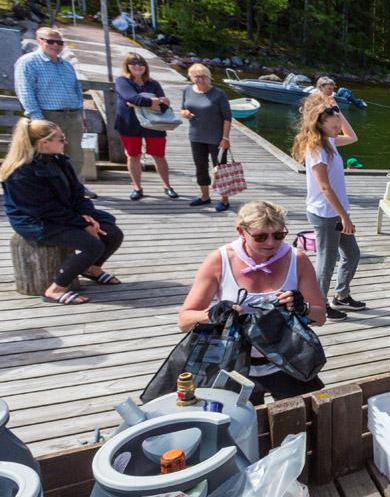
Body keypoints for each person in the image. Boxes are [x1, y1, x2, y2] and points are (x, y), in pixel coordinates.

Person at [178, 200, 327, 401]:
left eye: (279, 235)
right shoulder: (219, 260)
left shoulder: (297, 259)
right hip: (234, 365)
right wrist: (216, 313)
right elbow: (185, 321)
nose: (271, 243)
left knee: (303, 421)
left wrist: (302, 308)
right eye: (260, 237)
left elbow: (320, 318)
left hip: (287, 360)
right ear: (241, 231)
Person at [0, 119, 125, 305]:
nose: (64, 142)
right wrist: (82, 224)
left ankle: (92, 268)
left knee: (113, 232)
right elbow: (43, 209)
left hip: (65, 212)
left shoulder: (60, 161)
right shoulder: (21, 172)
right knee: (92, 245)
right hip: (36, 220)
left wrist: (87, 216)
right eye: (61, 139)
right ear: (44, 143)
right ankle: (56, 289)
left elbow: (77, 192)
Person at [291, 93, 364, 321]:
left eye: (338, 125)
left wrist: (337, 111)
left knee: (352, 254)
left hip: (337, 212)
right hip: (326, 214)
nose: (338, 129)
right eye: (334, 126)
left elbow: (352, 137)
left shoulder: (330, 141)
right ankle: (319, 305)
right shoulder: (316, 150)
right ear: (320, 125)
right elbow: (324, 187)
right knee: (327, 261)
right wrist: (345, 218)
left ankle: (341, 296)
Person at [13, 27, 95, 196]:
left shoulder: (66, 64)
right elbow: (25, 91)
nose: (56, 45)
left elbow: (76, 90)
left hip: (73, 114)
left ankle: (76, 187)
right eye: (50, 41)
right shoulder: (28, 61)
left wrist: (82, 114)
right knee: (45, 155)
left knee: (75, 154)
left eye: (59, 42)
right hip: (48, 115)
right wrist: (37, 118)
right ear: (39, 40)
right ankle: (48, 190)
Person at [114, 52, 177, 201]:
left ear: (146, 67)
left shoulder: (153, 83)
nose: (137, 66)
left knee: (159, 155)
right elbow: (131, 97)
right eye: (133, 63)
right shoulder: (122, 81)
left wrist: (146, 102)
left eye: (141, 63)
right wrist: (152, 101)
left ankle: (167, 186)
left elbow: (164, 106)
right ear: (127, 65)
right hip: (129, 123)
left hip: (154, 124)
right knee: (133, 155)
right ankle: (137, 187)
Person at [179, 63, 233, 212]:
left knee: (220, 170)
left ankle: (224, 200)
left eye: (203, 76)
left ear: (209, 77)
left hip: (217, 138)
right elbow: (183, 108)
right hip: (196, 136)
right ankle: (204, 196)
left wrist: (225, 138)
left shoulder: (218, 93)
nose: (200, 79)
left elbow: (227, 117)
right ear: (191, 77)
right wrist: (184, 113)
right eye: (196, 76)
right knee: (200, 167)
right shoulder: (187, 90)